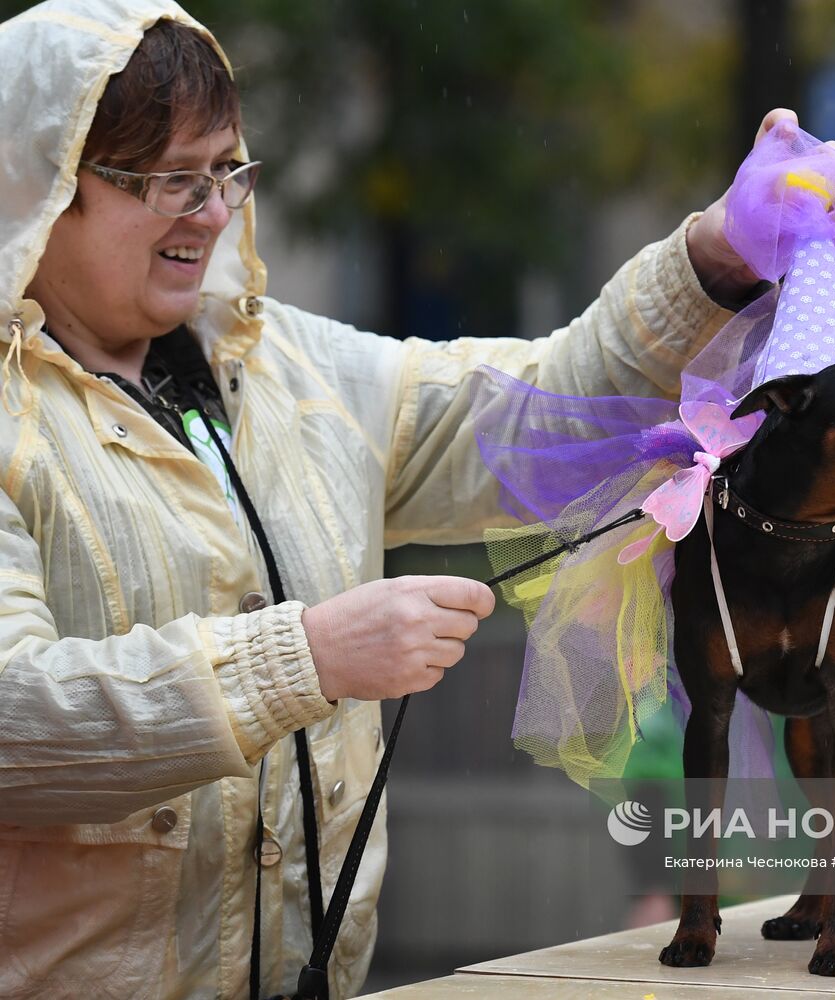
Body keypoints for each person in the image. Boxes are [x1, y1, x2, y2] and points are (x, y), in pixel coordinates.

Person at [0, 2, 789, 996]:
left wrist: (710, 260)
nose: (210, 211)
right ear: (43, 183)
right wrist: (306, 657)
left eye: (225, 170)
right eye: (169, 180)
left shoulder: (285, 364)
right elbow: (14, 721)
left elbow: (530, 417)